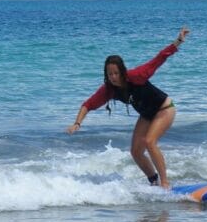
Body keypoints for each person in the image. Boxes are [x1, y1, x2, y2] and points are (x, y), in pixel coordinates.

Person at [67, 27, 189, 188]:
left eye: (116, 73)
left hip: (164, 109)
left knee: (150, 142)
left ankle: (165, 184)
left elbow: (159, 58)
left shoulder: (137, 76)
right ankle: (153, 181)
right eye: (110, 74)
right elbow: (87, 105)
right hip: (147, 114)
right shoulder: (108, 90)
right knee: (136, 151)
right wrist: (77, 123)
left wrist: (178, 41)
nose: (113, 77)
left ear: (122, 71)